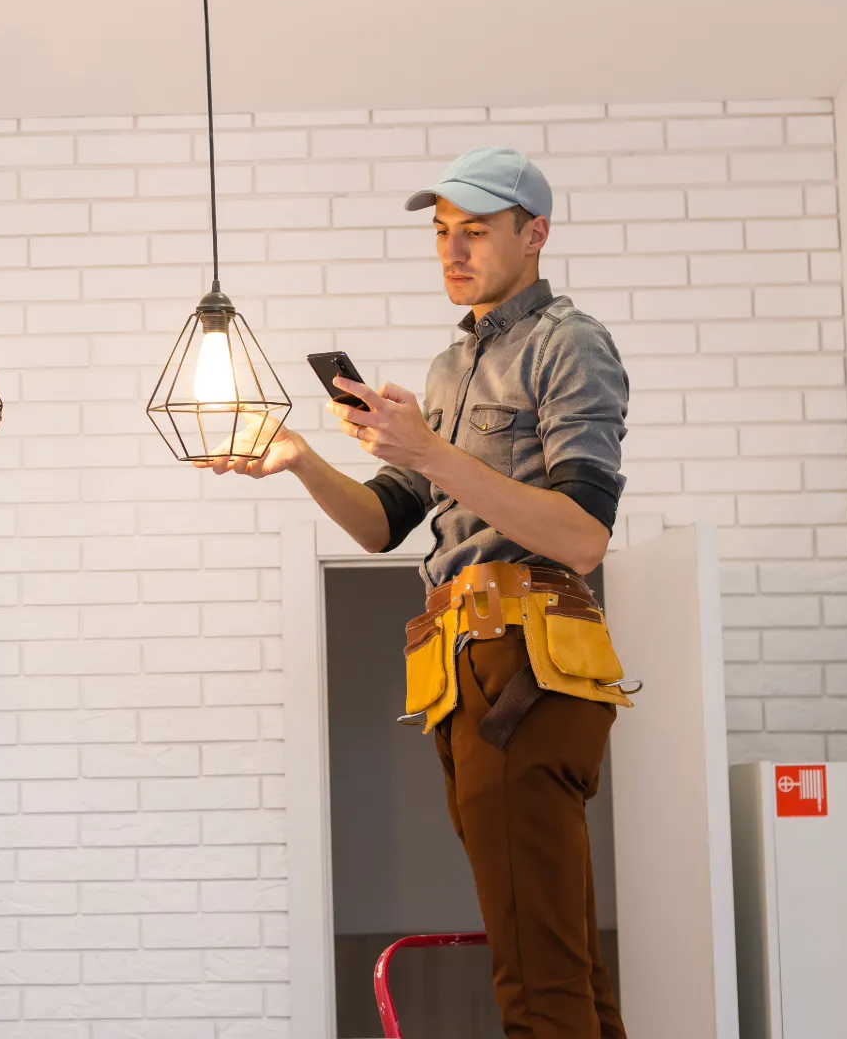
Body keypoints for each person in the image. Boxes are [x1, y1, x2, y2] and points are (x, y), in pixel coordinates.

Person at [201, 146, 632, 1038]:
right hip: (462, 671)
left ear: (535, 234)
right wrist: (301, 459)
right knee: (558, 964)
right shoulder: (448, 369)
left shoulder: (568, 342)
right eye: (441, 233)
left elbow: (582, 537)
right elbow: (381, 524)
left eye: (475, 230)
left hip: (525, 663)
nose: (452, 251)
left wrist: (429, 449)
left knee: (537, 979)